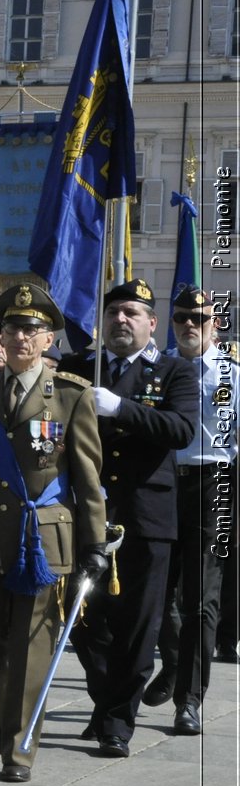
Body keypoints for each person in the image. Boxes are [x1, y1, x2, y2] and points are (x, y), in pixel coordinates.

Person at [0, 282, 107, 781]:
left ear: (48, 340)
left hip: (43, 539)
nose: (20, 336)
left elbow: (88, 478)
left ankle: (18, 745)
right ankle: (9, 723)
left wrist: (95, 542)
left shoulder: (70, 396)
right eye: (12, 327)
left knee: (32, 646)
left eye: (32, 329)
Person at [58, 278, 197, 756]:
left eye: (132, 313)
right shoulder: (79, 367)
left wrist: (122, 407)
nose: (121, 319)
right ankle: (106, 699)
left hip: (145, 515)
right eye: (114, 311)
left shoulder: (176, 372)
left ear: (151, 324)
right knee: (81, 618)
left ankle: (118, 721)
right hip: (86, 514)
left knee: (138, 624)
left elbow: (180, 429)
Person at [147, 286, 236, 737]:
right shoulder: (157, 369)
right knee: (155, 593)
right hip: (161, 482)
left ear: (215, 324)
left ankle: (190, 700)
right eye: (181, 317)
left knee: (201, 598)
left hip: (210, 483)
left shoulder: (232, 375)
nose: (187, 325)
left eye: (198, 319)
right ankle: (176, 661)